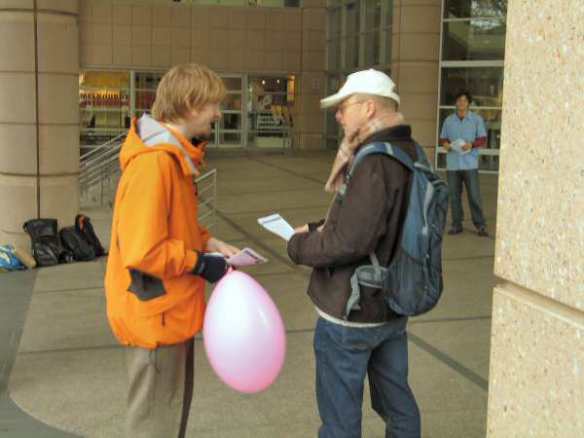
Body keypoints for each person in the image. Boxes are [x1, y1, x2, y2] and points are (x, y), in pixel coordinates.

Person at [104, 64, 239, 438]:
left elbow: (171, 225)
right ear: (190, 104)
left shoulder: (173, 159)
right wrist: (200, 263)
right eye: (213, 105)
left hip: (166, 314)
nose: (217, 113)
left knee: (165, 419)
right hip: (155, 318)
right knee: (154, 426)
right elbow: (143, 249)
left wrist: (208, 241)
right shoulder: (155, 165)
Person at [287, 69, 421, 438]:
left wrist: (298, 246)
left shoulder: (374, 160)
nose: (338, 115)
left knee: (340, 418)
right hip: (393, 303)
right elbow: (379, 221)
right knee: (399, 405)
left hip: (353, 312)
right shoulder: (409, 151)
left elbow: (350, 242)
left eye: (344, 107)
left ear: (368, 106)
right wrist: (318, 227)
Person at [439, 91, 489, 236]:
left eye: (464, 100)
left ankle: (480, 225)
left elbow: (483, 139)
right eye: (459, 100)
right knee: (454, 197)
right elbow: (442, 139)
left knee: (474, 196)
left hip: (470, 164)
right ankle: (456, 225)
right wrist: (446, 144)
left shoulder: (476, 120)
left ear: (468, 103)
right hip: (453, 164)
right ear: (456, 103)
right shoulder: (448, 120)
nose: (461, 103)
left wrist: (471, 145)